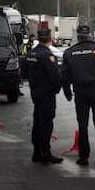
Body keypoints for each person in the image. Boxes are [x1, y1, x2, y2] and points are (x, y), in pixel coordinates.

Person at [61, 25, 95, 166]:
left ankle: (84, 157)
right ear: (90, 35)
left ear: (77, 36)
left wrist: (67, 92)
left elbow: (64, 76)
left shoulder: (69, 52)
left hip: (80, 92)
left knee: (83, 125)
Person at [22, 29, 63, 164]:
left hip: (35, 92)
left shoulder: (30, 54)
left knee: (37, 121)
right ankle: (46, 152)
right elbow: (55, 76)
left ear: (38, 38)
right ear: (50, 38)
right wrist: (57, 89)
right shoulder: (46, 55)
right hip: (46, 93)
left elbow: (23, 73)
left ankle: (36, 152)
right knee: (46, 123)